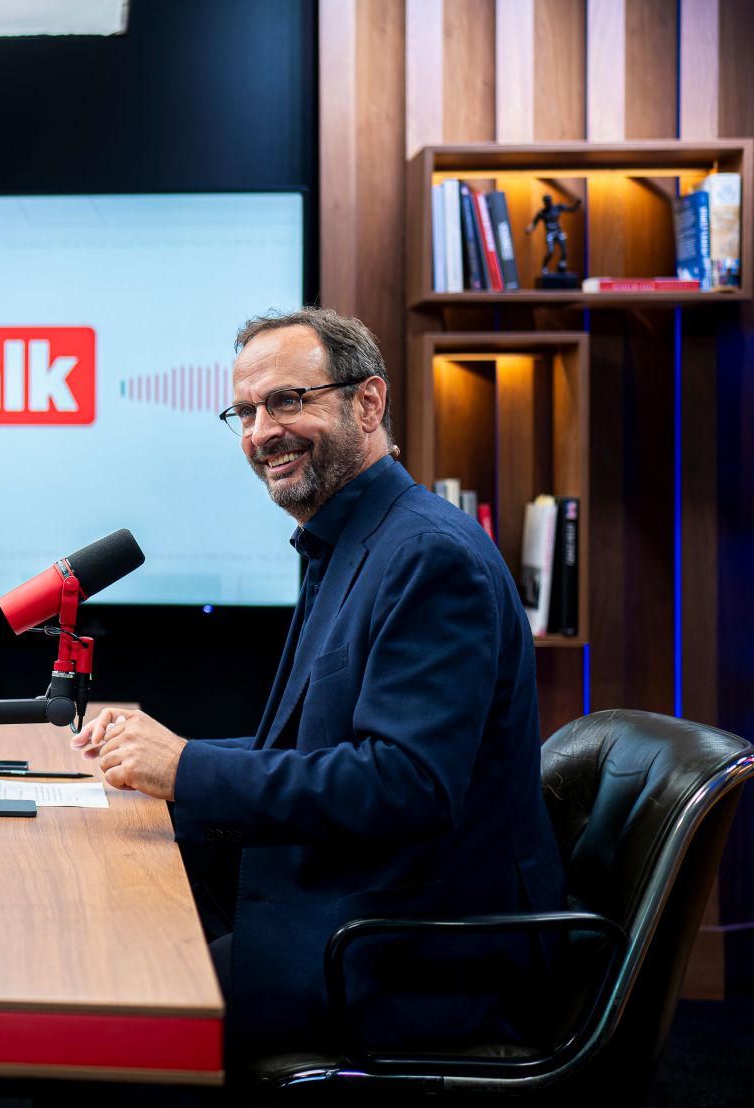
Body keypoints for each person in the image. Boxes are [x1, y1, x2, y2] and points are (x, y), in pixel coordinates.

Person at [71, 307, 565, 1059]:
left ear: (368, 403)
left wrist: (188, 768)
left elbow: (407, 783)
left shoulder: (432, 557)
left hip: (416, 959)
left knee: (111, 1021)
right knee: (120, 954)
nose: (261, 430)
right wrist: (160, 764)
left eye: (288, 401)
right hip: (356, 916)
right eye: (245, 411)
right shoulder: (351, 540)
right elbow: (320, 746)